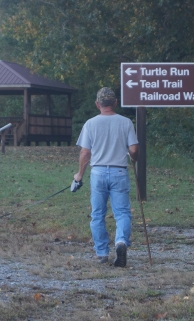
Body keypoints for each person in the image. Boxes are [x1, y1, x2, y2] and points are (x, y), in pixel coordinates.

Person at [72, 87, 139, 267]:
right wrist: (133, 157)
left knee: (97, 215)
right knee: (123, 212)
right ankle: (121, 242)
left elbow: (85, 153)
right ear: (115, 103)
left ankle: (102, 253)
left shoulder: (90, 124)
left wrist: (79, 175)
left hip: (98, 172)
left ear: (97, 104)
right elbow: (133, 149)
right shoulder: (126, 123)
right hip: (119, 172)